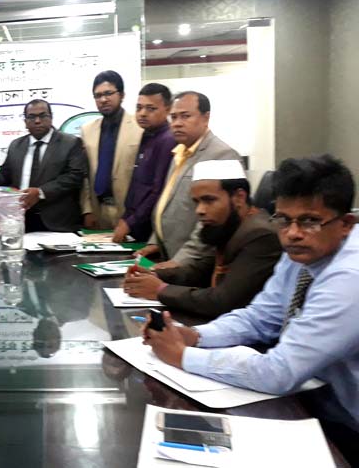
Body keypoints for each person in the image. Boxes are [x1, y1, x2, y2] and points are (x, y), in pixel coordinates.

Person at [143, 155, 359, 464]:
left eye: (310, 221)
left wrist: (182, 356)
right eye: (283, 219)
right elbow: (260, 317)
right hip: (318, 398)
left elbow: (280, 372)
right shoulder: (304, 251)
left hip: (349, 423)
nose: (293, 233)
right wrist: (195, 336)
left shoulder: (350, 276)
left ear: (346, 225)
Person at [124, 160, 282, 319]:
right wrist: (155, 275)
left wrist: (160, 290)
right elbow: (201, 270)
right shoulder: (231, 225)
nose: (199, 210)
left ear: (239, 197)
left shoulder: (261, 235)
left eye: (209, 200)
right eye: (197, 202)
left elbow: (222, 301)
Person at [136, 91, 240, 265]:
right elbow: (167, 204)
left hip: (196, 264)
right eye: (173, 117)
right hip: (169, 255)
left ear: (206, 118)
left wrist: (178, 263)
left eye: (185, 116)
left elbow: (212, 223)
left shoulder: (221, 155)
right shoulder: (180, 152)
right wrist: (155, 242)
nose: (177, 123)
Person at [0, 99, 87, 232]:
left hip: (57, 222)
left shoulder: (70, 143)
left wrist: (40, 193)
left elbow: (75, 177)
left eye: (42, 116)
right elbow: (4, 175)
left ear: (51, 118)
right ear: (25, 121)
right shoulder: (16, 145)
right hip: (20, 218)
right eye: (32, 117)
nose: (37, 121)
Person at [79, 70, 143, 231]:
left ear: (122, 95)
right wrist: (87, 209)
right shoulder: (87, 130)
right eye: (98, 95)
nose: (103, 99)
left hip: (130, 214)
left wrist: (134, 217)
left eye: (108, 93)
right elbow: (85, 175)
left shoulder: (139, 127)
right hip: (98, 211)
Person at [113, 83, 176, 242]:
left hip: (150, 229)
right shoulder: (147, 135)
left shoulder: (168, 140)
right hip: (136, 225)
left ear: (168, 109)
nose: (142, 114)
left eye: (151, 108)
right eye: (139, 108)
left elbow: (158, 190)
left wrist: (130, 222)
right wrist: (126, 218)